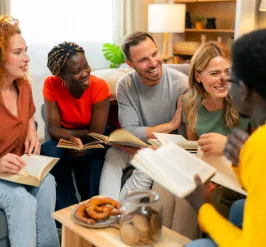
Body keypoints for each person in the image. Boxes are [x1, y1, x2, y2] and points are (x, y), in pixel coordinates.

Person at [185, 28, 266, 247]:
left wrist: (201, 207)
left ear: (245, 89)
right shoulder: (257, 142)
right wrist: (241, 161)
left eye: (231, 76)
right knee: (239, 209)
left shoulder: (259, 145)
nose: (225, 81)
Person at [99, 31, 188, 201]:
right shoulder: (125, 85)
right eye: (143, 60)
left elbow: (184, 139)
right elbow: (130, 131)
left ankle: (117, 214)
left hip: (167, 148)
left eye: (154, 54)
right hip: (136, 143)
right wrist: (170, 126)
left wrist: (154, 146)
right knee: (112, 154)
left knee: (147, 163)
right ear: (130, 64)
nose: (153, 63)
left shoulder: (181, 84)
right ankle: (105, 205)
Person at [0, 16, 59, 247]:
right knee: (20, 199)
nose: (26, 58)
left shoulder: (23, 86)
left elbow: (30, 115)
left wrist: (32, 133)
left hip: (17, 168)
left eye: (26, 50)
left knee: (48, 183)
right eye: (18, 52)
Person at [41, 42, 111, 210]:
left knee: (91, 157)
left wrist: (70, 136)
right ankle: (67, 211)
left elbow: (96, 132)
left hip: (93, 138)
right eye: (77, 71)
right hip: (65, 138)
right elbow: (52, 129)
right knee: (48, 150)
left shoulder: (99, 86)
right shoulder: (51, 84)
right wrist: (71, 138)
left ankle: (91, 207)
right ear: (61, 76)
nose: (85, 73)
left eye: (86, 67)